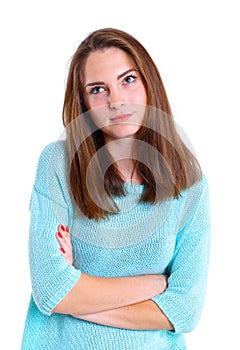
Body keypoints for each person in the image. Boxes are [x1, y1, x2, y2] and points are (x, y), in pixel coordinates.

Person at [21, 28, 211, 350]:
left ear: (149, 83)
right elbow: (51, 289)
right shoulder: (58, 164)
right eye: (98, 89)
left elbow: (185, 311)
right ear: (82, 103)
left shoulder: (190, 184)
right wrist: (154, 284)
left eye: (128, 80)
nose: (116, 100)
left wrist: (79, 294)